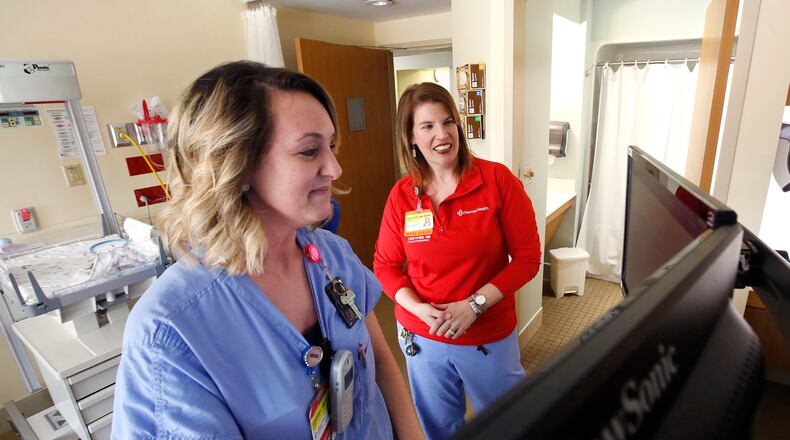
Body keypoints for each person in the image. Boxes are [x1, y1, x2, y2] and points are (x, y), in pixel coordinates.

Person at [112, 61, 423, 439]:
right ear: (235, 164)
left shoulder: (332, 257)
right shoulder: (171, 330)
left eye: (332, 147)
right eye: (310, 151)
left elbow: (383, 363)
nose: (336, 169)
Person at [373, 82, 542, 440]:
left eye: (448, 121)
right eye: (428, 126)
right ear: (411, 137)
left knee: (507, 422)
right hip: (423, 336)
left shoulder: (497, 181)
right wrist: (418, 309)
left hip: (486, 334)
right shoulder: (402, 195)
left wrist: (475, 305)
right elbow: (385, 266)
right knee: (439, 427)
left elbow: (527, 259)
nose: (442, 134)